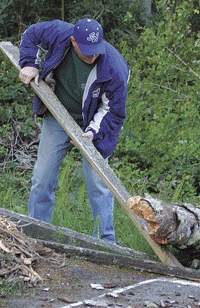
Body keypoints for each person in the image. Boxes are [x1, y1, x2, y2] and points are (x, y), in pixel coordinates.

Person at [18, 18, 130, 244]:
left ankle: (105, 242)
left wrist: (92, 133)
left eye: (95, 51)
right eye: (86, 52)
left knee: (99, 183)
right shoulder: (59, 33)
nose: (92, 57)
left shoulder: (115, 67)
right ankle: (37, 235)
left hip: (94, 124)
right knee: (42, 178)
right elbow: (30, 34)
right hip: (58, 114)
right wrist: (29, 63)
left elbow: (114, 111)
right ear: (73, 42)